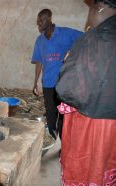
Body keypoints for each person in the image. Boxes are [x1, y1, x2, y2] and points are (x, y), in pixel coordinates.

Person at [56, 0, 116, 186]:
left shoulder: (92, 39)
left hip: (92, 123)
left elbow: (67, 88)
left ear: (99, 8)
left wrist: (67, 64)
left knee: (88, 166)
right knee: (108, 165)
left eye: (89, 10)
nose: (88, 16)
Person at [31, 9, 83, 140]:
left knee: (63, 114)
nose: (39, 24)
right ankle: (53, 138)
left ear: (49, 18)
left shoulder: (66, 33)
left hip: (64, 83)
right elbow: (38, 61)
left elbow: (86, 39)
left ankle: (63, 142)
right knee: (50, 112)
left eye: (41, 20)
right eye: (38, 22)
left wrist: (72, 53)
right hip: (48, 83)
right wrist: (36, 81)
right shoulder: (40, 40)